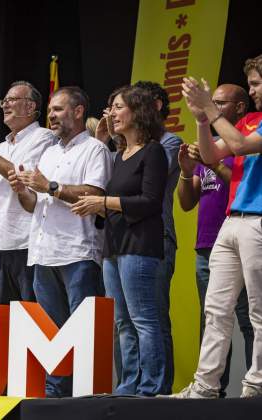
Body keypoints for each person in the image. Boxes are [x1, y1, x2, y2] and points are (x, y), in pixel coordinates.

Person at [9, 87, 112, 397]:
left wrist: (49, 186)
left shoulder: (95, 150)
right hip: (42, 253)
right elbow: (34, 204)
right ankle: (56, 396)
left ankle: (84, 394)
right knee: (51, 334)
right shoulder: (49, 153)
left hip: (77, 252)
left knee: (81, 332)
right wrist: (22, 191)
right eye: (50, 110)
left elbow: (95, 195)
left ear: (78, 112)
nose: (50, 116)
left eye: (57, 109)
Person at [170, 54, 262, 398]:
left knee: (258, 309)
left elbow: (237, 146)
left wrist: (210, 109)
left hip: (259, 222)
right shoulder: (250, 119)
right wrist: (200, 120)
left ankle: (257, 385)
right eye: (250, 83)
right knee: (215, 309)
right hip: (233, 219)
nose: (252, 90)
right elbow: (211, 156)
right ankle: (205, 386)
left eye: (255, 83)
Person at [72, 85, 168, 396]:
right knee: (123, 322)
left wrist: (104, 203)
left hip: (139, 245)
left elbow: (150, 201)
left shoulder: (153, 151)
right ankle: (129, 383)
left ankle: (151, 384)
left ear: (138, 112)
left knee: (143, 319)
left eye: (117, 107)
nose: (111, 113)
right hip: (113, 246)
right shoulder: (117, 155)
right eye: (111, 107)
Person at [0, 80, 55, 304]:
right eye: (3, 101)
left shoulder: (43, 137)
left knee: (31, 316)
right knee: (9, 320)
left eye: (12, 100)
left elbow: (23, 176)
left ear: (31, 107)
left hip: (26, 243)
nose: (5, 105)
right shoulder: (1, 148)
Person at [134, 80, 183, 393]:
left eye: (137, 103)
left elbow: (143, 181)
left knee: (152, 317)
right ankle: (133, 384)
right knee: (127, 321)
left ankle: (159, 391)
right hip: (126, 239)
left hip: (157, 236)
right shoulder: (126, 146)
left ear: (155, 107)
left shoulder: (170, 142)